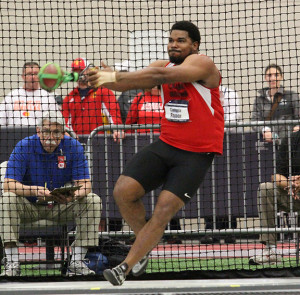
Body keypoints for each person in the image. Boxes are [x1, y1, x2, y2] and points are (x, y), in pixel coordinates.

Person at [88, 20, 224, 285]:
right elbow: (125, 85)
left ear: (194, 45)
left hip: (196, 154)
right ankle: (145, 245)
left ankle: (125, 266)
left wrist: (114, 76)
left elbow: (159, 79)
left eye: (181, 40)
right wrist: (103, 79)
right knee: (123, 191)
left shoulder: (202, 64)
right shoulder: (162, 65)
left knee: (163, 211)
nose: (174, 44)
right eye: (171, 40)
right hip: (167, 144)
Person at [0, 111, 102, 276]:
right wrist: (33, 190)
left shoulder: (73, 146)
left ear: (63, 133)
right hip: (29, 207)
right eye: (46, 131)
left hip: (60, 206)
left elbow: (86, 185)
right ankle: (12, 264)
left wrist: (73, 196)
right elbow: (8, 184)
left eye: (56, 132)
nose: (50, 137)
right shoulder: (24, 146)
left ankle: (76, 262)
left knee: (93, 200)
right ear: (38, 131)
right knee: (7, 198)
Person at [249, 130, 300, 265]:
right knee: (266, 189)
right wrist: (290, 184)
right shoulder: (292, 139)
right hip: (294, 194)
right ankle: (271, 251)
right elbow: (276, 176)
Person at [201, 86, 240, 244]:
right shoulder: (202, 93)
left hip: (228, 144)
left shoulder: (231, 93)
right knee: (208, 185)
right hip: (206, 144)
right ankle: (210, 230)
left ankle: (230, 230)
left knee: (229, 184)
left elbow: (233, 117)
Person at [61, 57, 123, 141]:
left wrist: (117, 129)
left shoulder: (103, 92)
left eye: (81, 70)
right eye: (76, 71)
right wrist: (68, 134)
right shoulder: (69, 98)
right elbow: (65, 122)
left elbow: (113, 113)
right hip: (76, 143)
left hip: (100, 142)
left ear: (89, 70)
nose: (79, 73)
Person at [251, 64, 300, 143]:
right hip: (268, 144)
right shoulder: (259, 100)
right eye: (269, 75)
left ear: (281, 77)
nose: (273, 78)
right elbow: (254, 121)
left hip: (289, 142)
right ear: (265, 78)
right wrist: (265, 130)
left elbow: (298, 117)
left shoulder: (291, 96)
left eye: (276, 75)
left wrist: (298, 127)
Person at [0, 62, 60, 126]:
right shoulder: (11, 97)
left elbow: (57, 123)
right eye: (29, 74)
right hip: (15, 134)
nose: (33, 77)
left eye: (36, 74)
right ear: (23, 76)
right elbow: (1, 122)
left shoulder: (48, 98)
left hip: (39, 135)